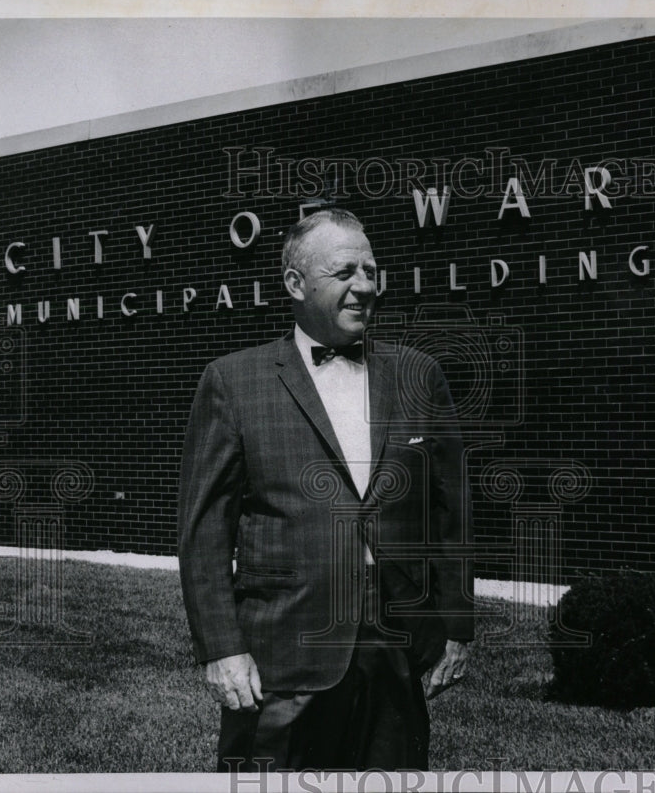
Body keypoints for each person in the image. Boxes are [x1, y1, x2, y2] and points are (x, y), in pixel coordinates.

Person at [177, 207, 473, 772]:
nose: (364, 286)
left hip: (396, 649)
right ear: (295, 283)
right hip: (281, 657)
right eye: (344, 273)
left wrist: (455, 627)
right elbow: (204, 533)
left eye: (371, 269)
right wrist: (221, 648)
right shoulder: (233, 381)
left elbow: (451, 510)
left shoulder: (419, 374)